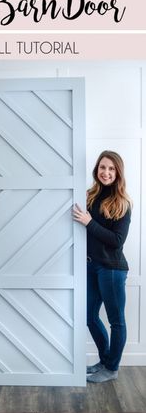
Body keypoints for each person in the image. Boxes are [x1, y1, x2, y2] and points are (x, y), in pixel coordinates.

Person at [73, 150, 131, 383]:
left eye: (111, 168)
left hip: (112, 269)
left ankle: (112, 367)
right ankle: (105, 360)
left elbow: (117, 241)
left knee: (116, 321)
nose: (106, 172)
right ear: (96, 170)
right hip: (91, 266)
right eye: (102, 167)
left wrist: (89, 222)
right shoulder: (89, 196)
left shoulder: (123, 203)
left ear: (118, 173)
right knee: (88, 316)